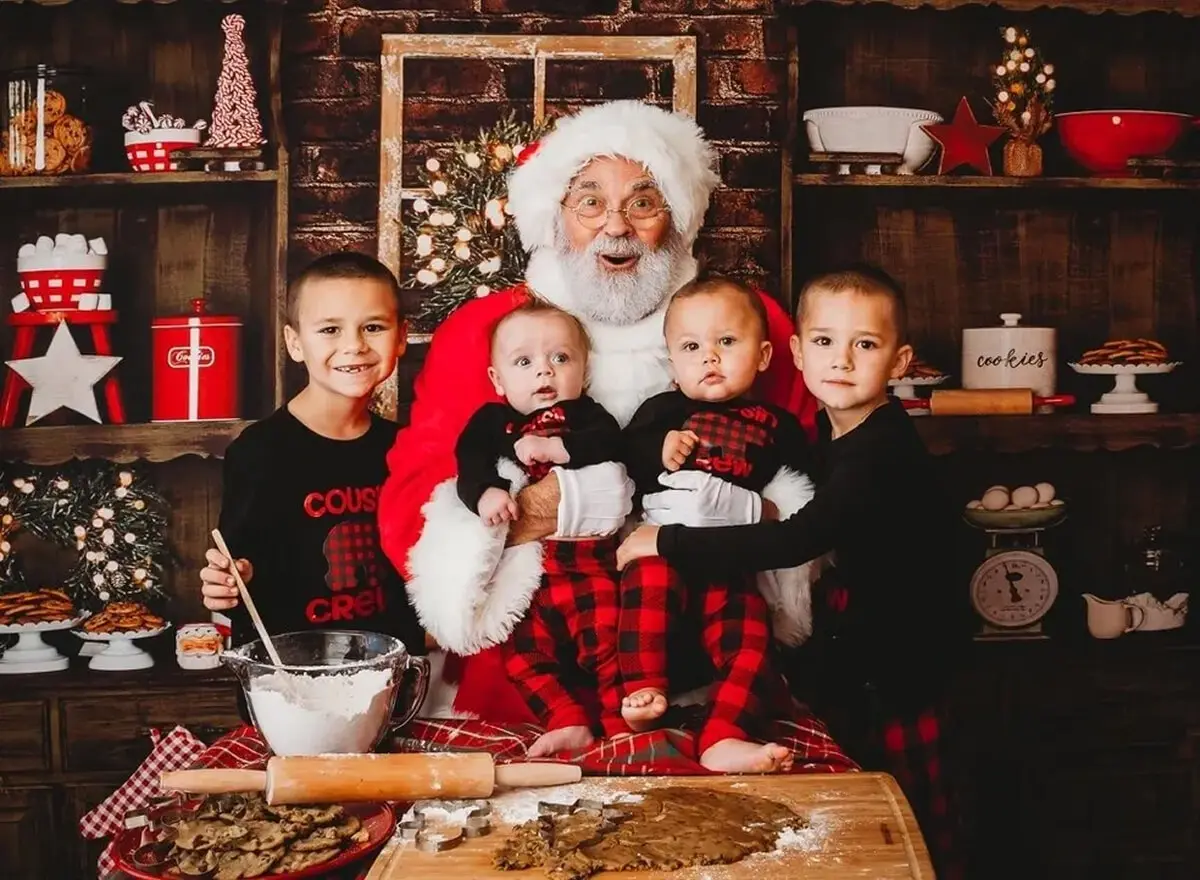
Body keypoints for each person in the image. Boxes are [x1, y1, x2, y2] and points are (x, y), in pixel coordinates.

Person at [378, 99, 822, 739]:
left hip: (707, 667)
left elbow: (809, 479)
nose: (616, 226)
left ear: (677, 216)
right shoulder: (486, 332)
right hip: (523, 679)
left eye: (643, 202)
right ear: (555, 215)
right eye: (589, 202)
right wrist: (546, 506)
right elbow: (413, 499)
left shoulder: (746, 325)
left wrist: (751, 512)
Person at [616, 265, 967, 875]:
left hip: (907, 659)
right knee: (860, 808)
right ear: (800, 354)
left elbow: (797, 539)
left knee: (910, 824)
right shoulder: (830, 433)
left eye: (866, 344)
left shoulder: (880, 450)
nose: (843, 360)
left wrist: (667, 541)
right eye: (826, 341)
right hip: (860, 649)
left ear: (900, 361)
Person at [618, 277, 822, 771]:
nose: (709, 357)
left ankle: (724, 735)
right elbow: (625, 458)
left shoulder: (777, 423)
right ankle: (643, 690)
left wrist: (762, 509)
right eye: (691, 347)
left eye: (726, 341)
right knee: (646, 592)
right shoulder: (662, 411)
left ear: (764, 355)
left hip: (731, 560)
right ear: (672, 362)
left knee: (751, 643)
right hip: (661, 551)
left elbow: (801, 493)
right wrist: (658, 449)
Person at [199, 252, 423, 655]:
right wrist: (230, 582)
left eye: (373, 327)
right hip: (295, 677)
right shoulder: (260, 452)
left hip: (392, 671)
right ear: (295, 343)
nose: (354, 345)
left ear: (401, 337)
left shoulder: (406, 448)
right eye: (330, 329)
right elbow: (239, 576)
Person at [454, 300, 626, 755]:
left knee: (608, 640)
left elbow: (611, 444)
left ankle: (621, 725)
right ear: (498, 380)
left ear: (584, 371)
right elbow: (469, 464)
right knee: (524, 655)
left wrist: (559, 451)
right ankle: (566, 718)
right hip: (528, 572)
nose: (544, 371)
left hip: (587, 561)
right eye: (524, 362)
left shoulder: (587, 416)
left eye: (561, 358)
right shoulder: (491, 422)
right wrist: (486, 493)